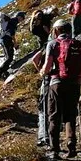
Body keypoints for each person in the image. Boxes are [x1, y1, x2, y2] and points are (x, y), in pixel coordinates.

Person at [40, 19, 81, 159]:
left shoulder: (53, 44)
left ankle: (55, 150)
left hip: (57, 82)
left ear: (56, 30)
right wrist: (80, 77)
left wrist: (43, 72)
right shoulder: (76, 43)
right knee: (70, 115)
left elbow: (48, 65)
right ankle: (71, 147)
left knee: (54, 115)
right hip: (74, 83)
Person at [29, 8, 55, 147]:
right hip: (62, 78)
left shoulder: (35, 22)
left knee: (43, 107)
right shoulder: (55, 43)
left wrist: (41, 71)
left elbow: (34, 59)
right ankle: (57, 138)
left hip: (47, 77)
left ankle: (44, 136)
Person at [0, 11, 23, 79]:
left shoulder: (10, 21)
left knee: (8, 57)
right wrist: (15, 43)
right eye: (22, 17)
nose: (22, 20)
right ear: (19, 16)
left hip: (3, 39)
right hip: (7, 39)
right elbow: (11, 33)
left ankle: (3, 73)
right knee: (9, 58)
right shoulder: (14, 21)